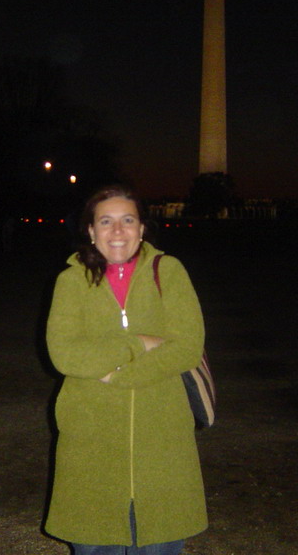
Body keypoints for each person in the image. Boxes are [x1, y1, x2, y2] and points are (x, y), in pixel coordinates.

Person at [44, 184, 208, 554]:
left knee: (160, 538)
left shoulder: (169, 272)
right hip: (90, 436)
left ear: (142, 228)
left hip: (162, 434)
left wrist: (118, 375)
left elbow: (188, 347)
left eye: (127, 220)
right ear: (91, 231)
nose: (117, 231)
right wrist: (139, 344)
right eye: (106, 221)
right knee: (94, 539)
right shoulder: (71, 281)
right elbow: (65, 355)